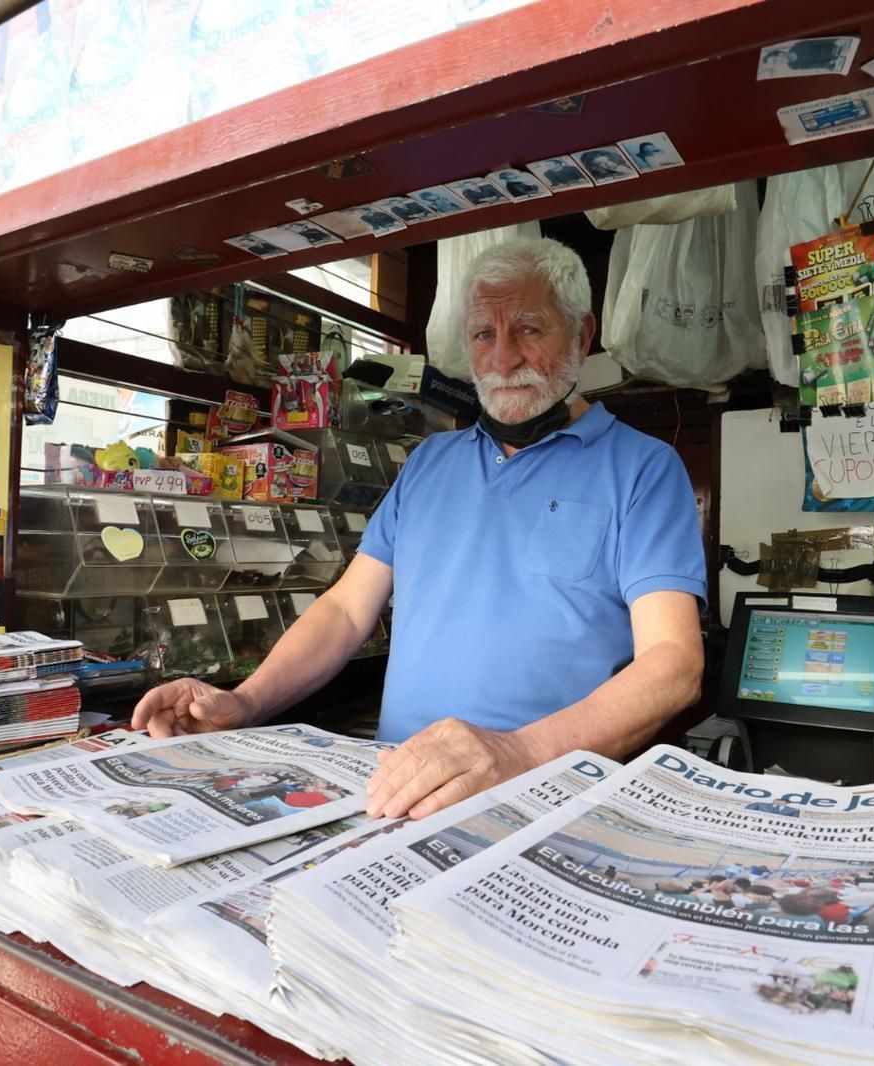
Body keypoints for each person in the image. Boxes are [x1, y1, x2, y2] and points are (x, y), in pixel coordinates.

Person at [134, 237, 706, 821]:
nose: (503, 359)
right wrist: (245, 699)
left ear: (583, 336)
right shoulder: (431, 462)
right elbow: (346, 612)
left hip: (549, 800)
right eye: (485, 334)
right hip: (399, 790)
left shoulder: (643, 467)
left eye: (529, 330)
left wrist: (519, 751)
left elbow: (673, 664)